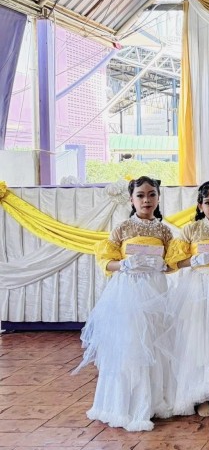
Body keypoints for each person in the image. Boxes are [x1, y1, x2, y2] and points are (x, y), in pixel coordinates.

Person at [75, 176, 174, 431]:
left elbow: (173, 262)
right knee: (130, 344)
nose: (146, 200)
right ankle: (125, 405)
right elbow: (105, 261)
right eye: (140, 195)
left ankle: (152, 402)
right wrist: (124, 264)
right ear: (131, 199)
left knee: (153, 342)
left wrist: (163, 265)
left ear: (158, 198)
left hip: (155, 291)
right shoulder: (122, 229)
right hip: (128, 292)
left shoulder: (164, 231)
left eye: (151, 195)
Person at [164, 180, 209, 418]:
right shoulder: (191, 230)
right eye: (208, 202)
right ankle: (200, 395)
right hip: (198, 289)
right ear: (200, 206)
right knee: (200, 339)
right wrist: (195, 260)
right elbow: (172, 262)